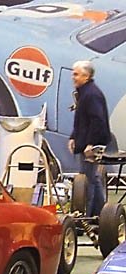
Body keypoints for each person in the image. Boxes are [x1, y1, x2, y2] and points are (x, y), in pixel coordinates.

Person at [68, 60, 111, 217]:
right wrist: (73, 137)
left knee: (87, 181)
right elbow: (81, 120)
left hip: (92, 145)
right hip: (86, 142)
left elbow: (97, 120)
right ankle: (100, 214)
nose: (73, 77)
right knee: (93, 179)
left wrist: (91, 144)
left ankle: (86, 217)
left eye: (76, 74)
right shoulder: (85, 93)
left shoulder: (91, 95)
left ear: (86, 76)